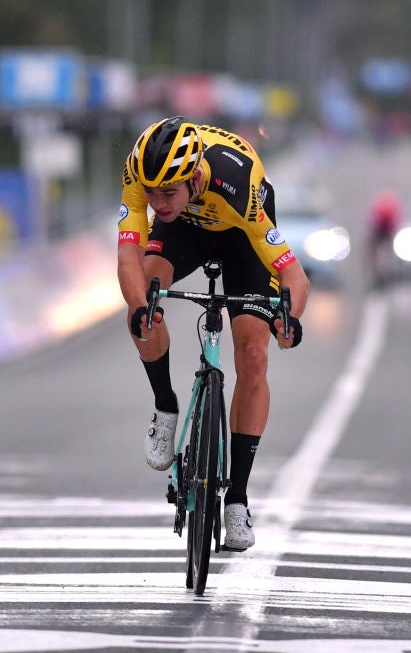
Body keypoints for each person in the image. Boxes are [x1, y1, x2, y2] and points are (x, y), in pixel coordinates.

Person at [117, 117, 310, 552]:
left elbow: (295, 277)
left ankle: (237, 499)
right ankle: (165, 406)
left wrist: (290, 320)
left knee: (254, 353)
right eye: (151, 193)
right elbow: (128, 254)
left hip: (242, 234)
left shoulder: (239, 185)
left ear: (194, 177)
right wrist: (141, 306)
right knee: (144, 295)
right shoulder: (141, 171)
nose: (156, 202)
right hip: (185, 228)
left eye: (167, 193)